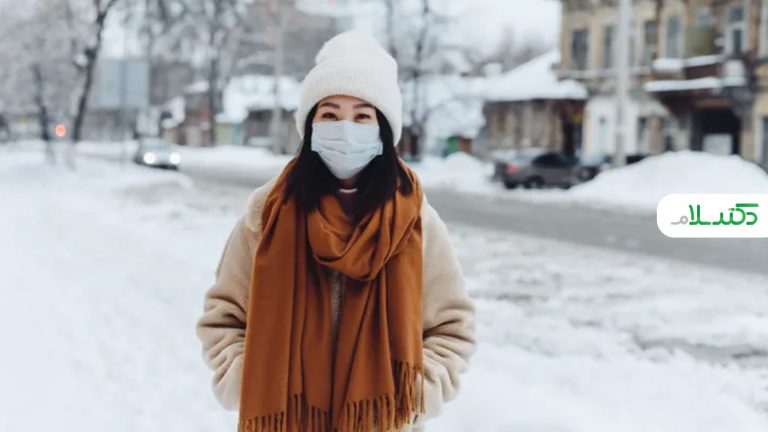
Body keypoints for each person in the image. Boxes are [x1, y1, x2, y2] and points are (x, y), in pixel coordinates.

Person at [195, 31, 475, 432]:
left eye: (362, 116)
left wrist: (412, 395)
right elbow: (223, 318)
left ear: (383, 130)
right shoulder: (266, 214)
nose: (345, 128)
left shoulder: (416, 221)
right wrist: (251, 380)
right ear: (310, 125)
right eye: (329, 114)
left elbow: (452, 328)